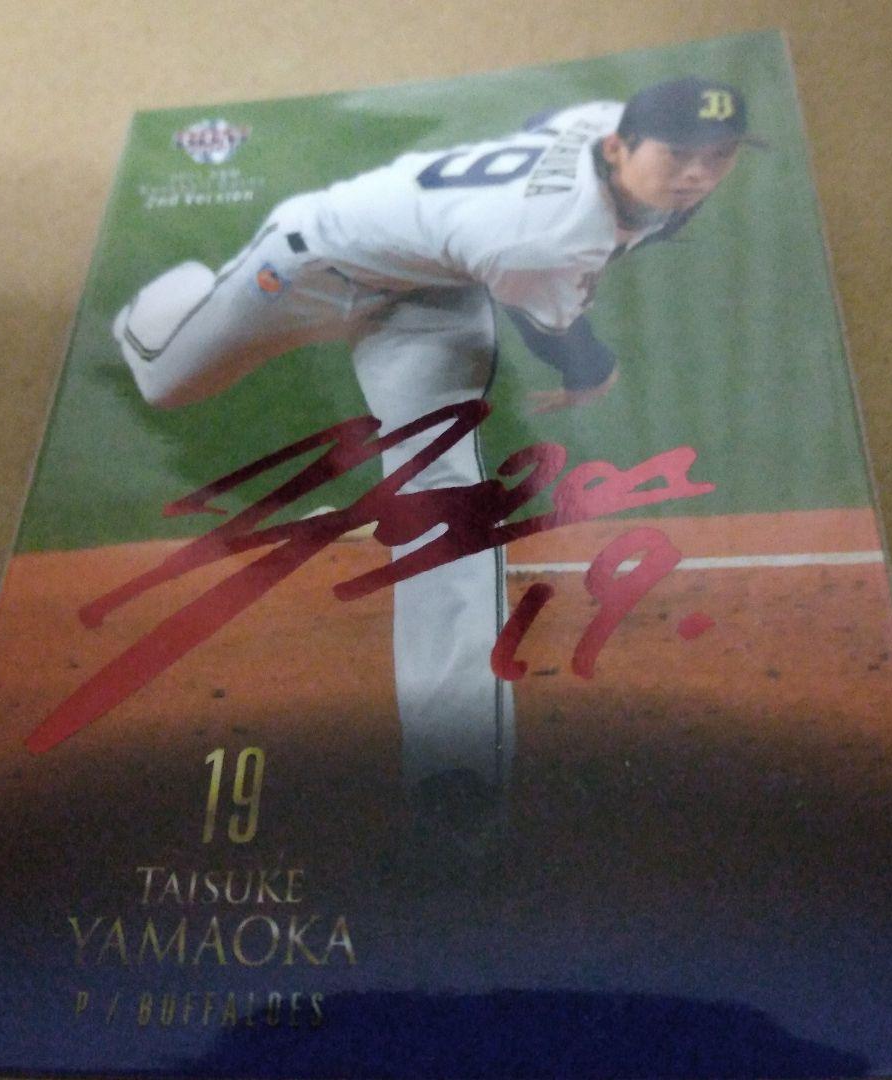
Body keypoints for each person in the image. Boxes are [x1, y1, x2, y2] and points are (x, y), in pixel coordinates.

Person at [113, 75, 762, 808]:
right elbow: (559, 338)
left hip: (435, 294)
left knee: (442, 498)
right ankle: (165, 306)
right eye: (679, 154)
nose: (699, 173)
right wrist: (594, 370)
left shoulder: (602, 132)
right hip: (312, 264)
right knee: (168, 381)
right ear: (617, 147)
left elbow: (547, 118)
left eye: (719, 155)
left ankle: (454, 767)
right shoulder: (545, 236)